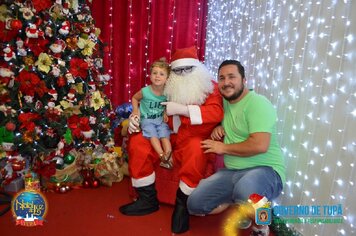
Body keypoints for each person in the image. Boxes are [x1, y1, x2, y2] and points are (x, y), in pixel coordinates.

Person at [119, 46, 224, 234]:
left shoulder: (209, 86)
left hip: (194, 136)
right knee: (138, 141)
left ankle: (182, 205)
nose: (183, 74)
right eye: (178, 70)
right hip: (166, 133)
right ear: (172, 72)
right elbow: (146, 104)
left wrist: (183, 110)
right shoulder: (167, 85)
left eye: (188, 69)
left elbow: (216, 112)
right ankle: (147, 199)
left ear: (197, 68)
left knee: (196, 150)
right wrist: (136, 120)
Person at [187, 60, 285, 236]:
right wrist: (218, 125)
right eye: (222, 78)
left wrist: (222, 147)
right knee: (194, 204)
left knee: (246, 190)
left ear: (244, 80)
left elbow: (260, 145)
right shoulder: (224, 103)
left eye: (232, 77)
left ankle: (262, 224)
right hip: (232, 172)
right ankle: (241, 205)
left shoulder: (258, 103)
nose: (226, 82)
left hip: (266, 171)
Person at [130, 58, 173, 169]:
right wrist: (135, 110)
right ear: (150, 75)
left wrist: (165, 112)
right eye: (154, 73)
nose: (157, 76)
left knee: (164, 135)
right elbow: (134, 98)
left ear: (167, 79)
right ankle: (161, 155)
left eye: (161, 74)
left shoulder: (167, 93)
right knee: (153, 134)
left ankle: (169, 157)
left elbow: (167, 104)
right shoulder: (145, 91)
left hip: (160, 120)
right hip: (147, 120)